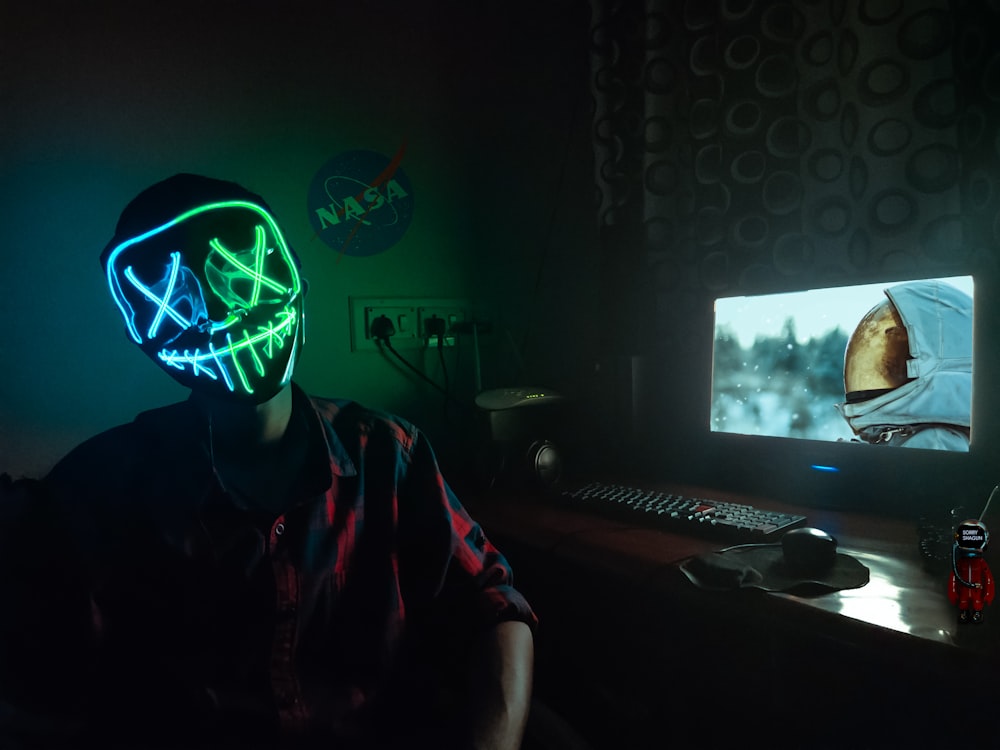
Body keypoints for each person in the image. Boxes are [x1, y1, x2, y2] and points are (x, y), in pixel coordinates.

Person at [0, 174, 536, 749]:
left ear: (298, 279)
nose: (220, 313)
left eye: (242, 267)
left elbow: (493, 604)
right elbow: (40, 684)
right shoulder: (101, 486)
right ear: (139, 332)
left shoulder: (386, 454)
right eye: (172, 294)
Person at [835, 279, 973, 451]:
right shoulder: (911, 433)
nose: (888, 370)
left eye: (899, 363)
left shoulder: (937, 443)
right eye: (889, 365)